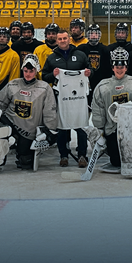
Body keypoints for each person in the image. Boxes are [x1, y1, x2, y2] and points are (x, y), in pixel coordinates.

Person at [91, 48, 132, 173]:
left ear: (126, 67)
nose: (119, 69)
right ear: (112, 67)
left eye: (122, 66)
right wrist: (100, 131)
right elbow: (98, 110)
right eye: (117, 67)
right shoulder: (102, 86)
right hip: (112, 128)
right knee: (116, 161)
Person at [0, 54, 58, 170]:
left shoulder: (44, 88)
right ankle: (0, 154)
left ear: (36, 71)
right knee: (0, 134)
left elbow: (50, 111)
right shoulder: (13, 84)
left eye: (31, 71)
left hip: (29, 131)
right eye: (25, 71)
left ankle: (22, 152)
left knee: (26, 163)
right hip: (11, 124)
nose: (28, 74)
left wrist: (50, 131)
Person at [41, 29, 92, 168]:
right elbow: (44, 76)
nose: (62, 41)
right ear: (57, 41)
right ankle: (63, 155)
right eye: (60, 39)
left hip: (79, 99)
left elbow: (90, 70)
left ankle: (82, 155)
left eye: (65, 38)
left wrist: (89, 73)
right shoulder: (52, 58)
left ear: (69, 39)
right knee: (62, 127)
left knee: (81, 127)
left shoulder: (80, 55)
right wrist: (53, 74)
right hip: (61, 98)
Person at [78, 24, 112, 92]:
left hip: (101, 83)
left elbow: (108, 69)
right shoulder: (81, 48)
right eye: (91, 33)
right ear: (87, 35)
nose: (93, 36)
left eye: (96, 33)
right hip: (85, 83)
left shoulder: (105, 49)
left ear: (99, 35)